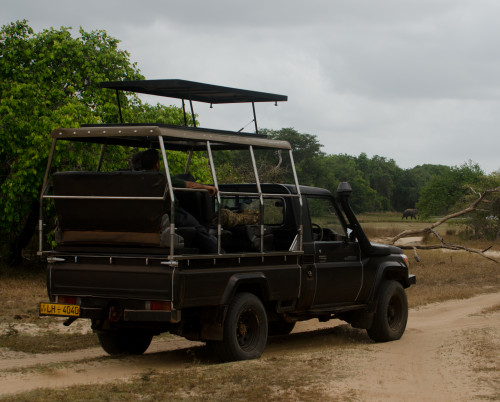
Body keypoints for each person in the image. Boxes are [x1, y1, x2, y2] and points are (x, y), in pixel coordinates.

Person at [134, 149, 221, 253]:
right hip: (169, 213)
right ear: (157, 164)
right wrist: (206, 187)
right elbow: (189, 185)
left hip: (143, 214)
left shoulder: (133, 178)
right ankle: (220, 253)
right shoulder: (160, 177)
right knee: (200, 231)